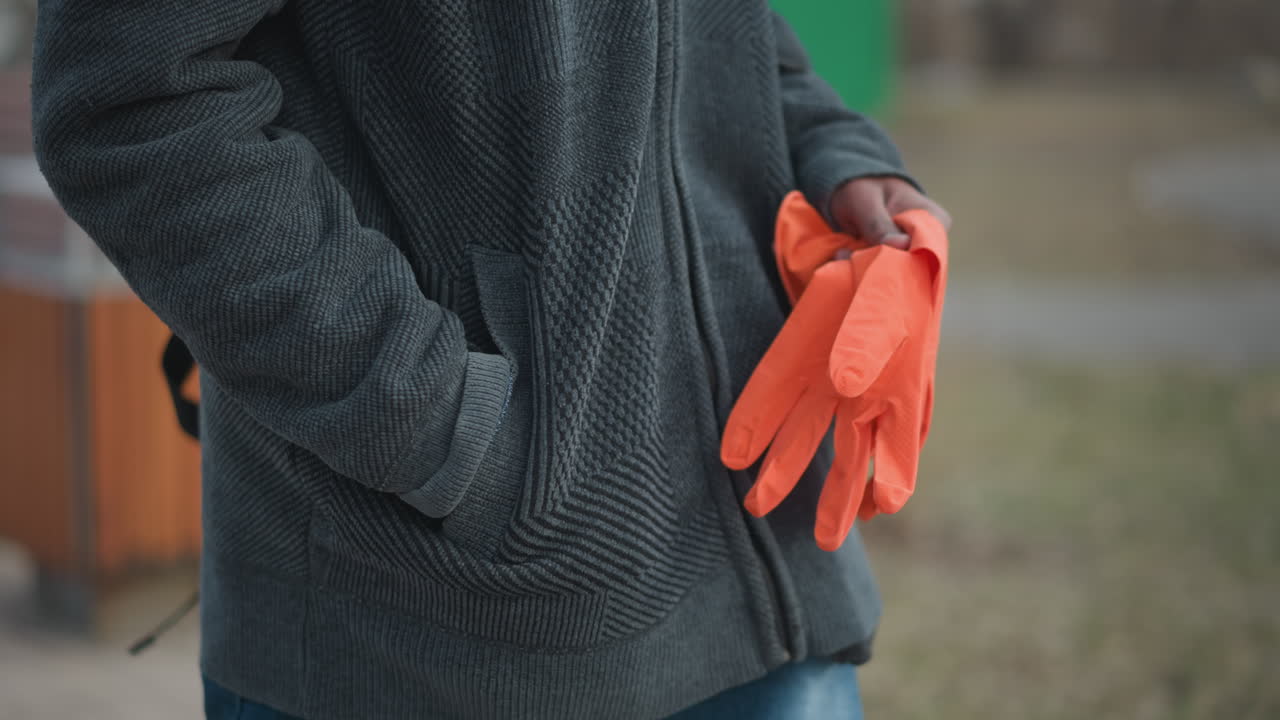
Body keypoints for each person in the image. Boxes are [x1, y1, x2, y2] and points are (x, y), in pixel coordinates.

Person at [30, 2, 949, 718]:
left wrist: (845, 159)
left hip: (775, 603)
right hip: (444, 636)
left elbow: (717, 32)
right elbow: (134, 101)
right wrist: (453, 430)